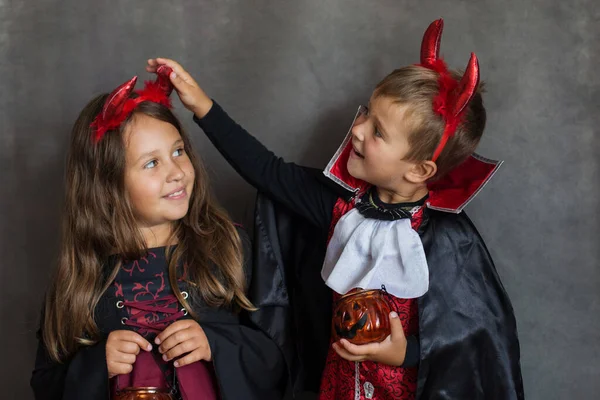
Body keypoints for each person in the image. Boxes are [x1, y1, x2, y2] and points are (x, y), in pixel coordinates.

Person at [146, 18, 523, 400]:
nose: (358, 129)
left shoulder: (447, 240)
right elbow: (267, 171)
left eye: (378, 132)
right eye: (366, 114)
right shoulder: (340, 207)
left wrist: (404, 353)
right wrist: (202, 107)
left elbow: (468, 341)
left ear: (419, 169)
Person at [30, 66, 285, 400]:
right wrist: (96, 364)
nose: (176, 172)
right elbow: (45, 384)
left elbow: (277, 359)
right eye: (152, 163)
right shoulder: (81, 277)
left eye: (178, 152)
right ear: (108, 185)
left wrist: (215, 345)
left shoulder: (228, 248)